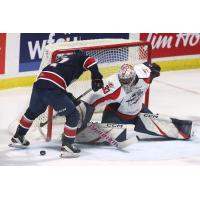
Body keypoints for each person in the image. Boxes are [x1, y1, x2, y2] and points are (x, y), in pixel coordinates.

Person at [10, 50, 104, 158]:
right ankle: (68, 146)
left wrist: (67, 96)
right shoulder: (80, 58)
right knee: (73, 115)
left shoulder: (64, 60)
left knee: (32, 111)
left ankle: (18, 136)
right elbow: (90, 61)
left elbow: (56, 80)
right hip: (52, 87)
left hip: (40, 83)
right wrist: (96, 77)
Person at [76, 62, 192, 142]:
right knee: (120, 137)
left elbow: (151, 67)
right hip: (115, 115)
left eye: (127, 80)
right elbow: (90, 102)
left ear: (134, 76)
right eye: (122, 80)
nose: (124, 83)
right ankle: (76, 134)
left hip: (138, 112)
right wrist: (81, 124)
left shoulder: (145, 74)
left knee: (167, 128)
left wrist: (156, 70)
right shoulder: (113, 88)